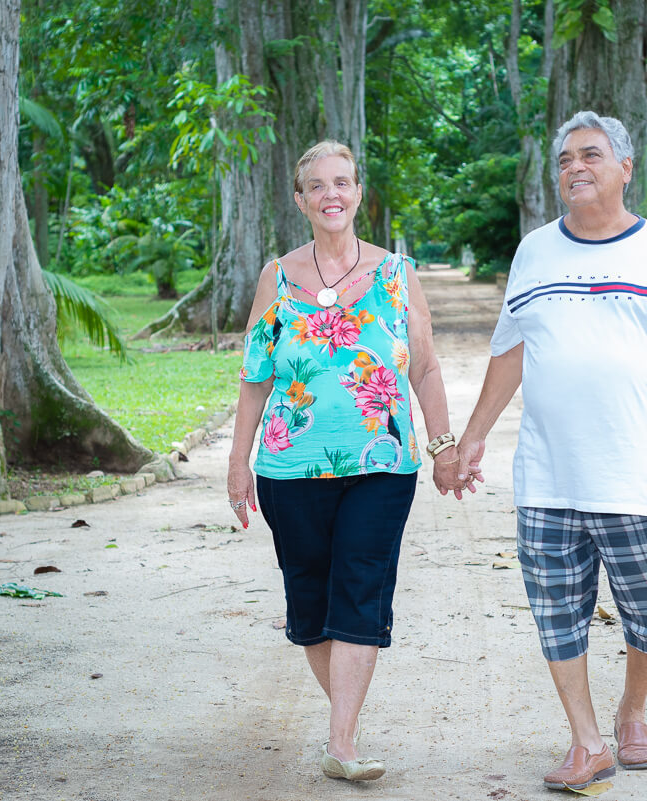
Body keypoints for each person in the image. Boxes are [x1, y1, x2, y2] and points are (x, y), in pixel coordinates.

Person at [455, 111, 647, 790]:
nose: (576, 166)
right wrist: (475, 433)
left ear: (625, 168)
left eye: (592, 155)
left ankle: (633, 711)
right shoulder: (535, 252)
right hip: (548, 477)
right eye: (567, 158)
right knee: (556, 612)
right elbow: (510, 350)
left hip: (640, 476)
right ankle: (586, 741)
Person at [226, 141, 473, 782]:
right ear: (302, 199)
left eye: (342, 182)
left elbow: (423, 364)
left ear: (359, 192)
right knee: (310, 603)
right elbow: (256, 374)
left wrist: (444, 449)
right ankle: (347, 724)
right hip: (288, 466)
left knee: (361, 585)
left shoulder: (396, 274)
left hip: (383, 463)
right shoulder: (276, 277)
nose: (330, 194)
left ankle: (341, 743)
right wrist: (237, 460)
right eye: (317, 185)